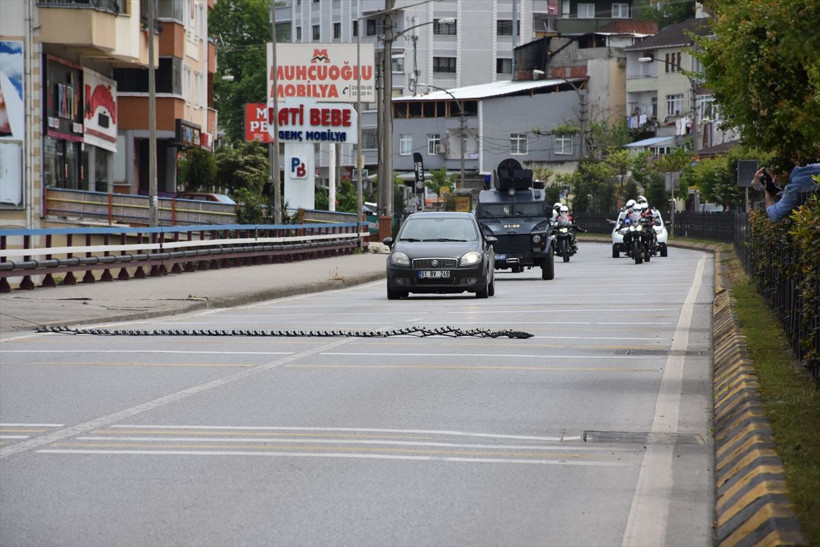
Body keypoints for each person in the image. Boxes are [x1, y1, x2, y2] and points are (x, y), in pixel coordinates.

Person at [753, 163, 820, 222]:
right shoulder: (814, 167)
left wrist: (767, 194)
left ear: (783, 172)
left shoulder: (793, 187)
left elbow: (774, 215)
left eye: (774, 177)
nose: (774, 182)